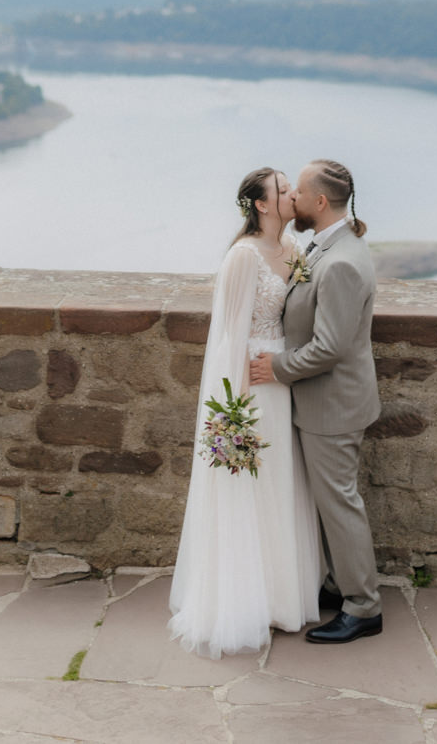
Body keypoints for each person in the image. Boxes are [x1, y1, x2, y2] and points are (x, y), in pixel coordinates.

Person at [168, 167, 321, 658]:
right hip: (249, 385)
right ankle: (242, 601)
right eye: (281, 190)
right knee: (246, 487)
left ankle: (282, 597)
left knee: (281, 483)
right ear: (261, 204)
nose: (290, 194)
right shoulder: (243, 256)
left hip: (282, 380)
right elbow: (228, 336)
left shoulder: (295, 252)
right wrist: (231, 413)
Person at [249, 159, 382, 644]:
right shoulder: (329, 245)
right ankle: (336, 584)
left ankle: (364, 606)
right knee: (326, 504)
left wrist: (276, 369)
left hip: (333, 406)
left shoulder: (342, 260)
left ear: (320, 202)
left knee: (339, 504)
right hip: (324, 403)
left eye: (299, 194)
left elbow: (332, 347)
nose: (294, 201)